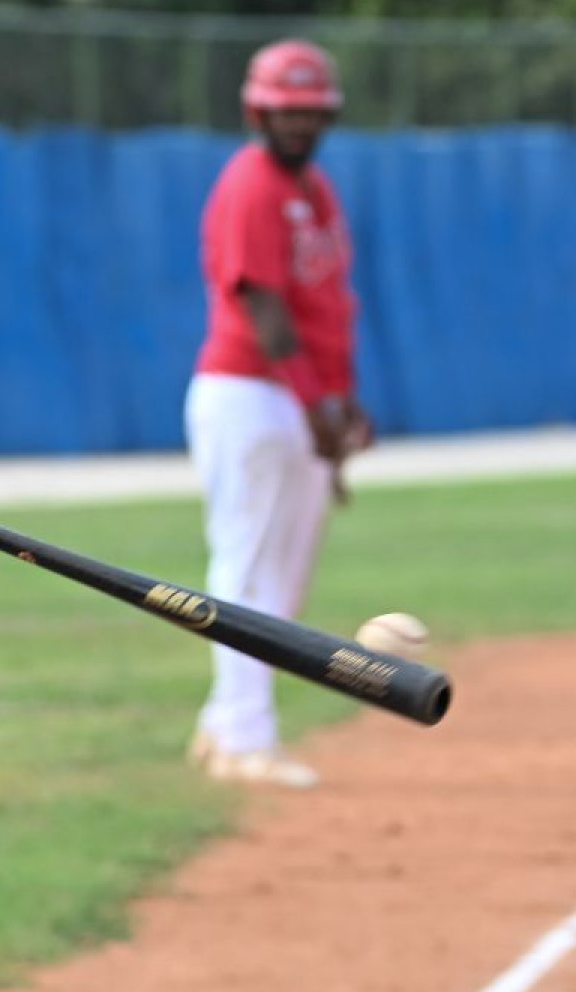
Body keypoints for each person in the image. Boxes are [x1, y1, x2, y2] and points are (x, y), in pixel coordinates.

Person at [183, 39, 372, 790]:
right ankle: (244, 742)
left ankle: (221, 724)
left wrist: (342, 399)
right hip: (249, 392)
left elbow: (328, 304)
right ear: (257, 110)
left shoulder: (317, 191)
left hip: (295, 398)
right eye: (286, 112)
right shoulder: (252, 184)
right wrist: (314, 398)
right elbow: (263, 304)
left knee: (283, 586)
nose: (299, 125)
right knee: (247, 567)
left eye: (311, 113)